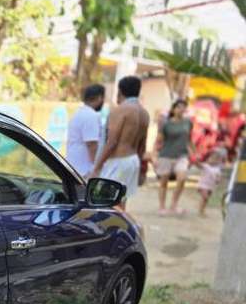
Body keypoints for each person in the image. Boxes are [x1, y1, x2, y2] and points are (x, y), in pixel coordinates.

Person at [90, 76, 150, 212]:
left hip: (119, 160)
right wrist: (140, 168)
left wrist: (97, 167)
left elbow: (112, 142)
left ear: (120, 91)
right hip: (133, 160)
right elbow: (142, 145)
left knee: (107, 203)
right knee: (121, 201)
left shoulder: (120, 110)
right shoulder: (144, 113)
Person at [153, 99, 194, 215]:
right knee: (163, 181)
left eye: (183, 107)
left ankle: (174, 205)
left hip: (182, 155)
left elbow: (189, 139)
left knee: (182, 178)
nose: (181, 109)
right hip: (166, 155)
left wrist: (195, 153)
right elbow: (158, 140)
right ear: (173, 109)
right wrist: (154, 155)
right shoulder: (166, 124)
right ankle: (162, 206)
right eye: (179, 107)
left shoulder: (188, 122)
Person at [66, 83, 105, 177]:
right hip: (84, 171)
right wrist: (95, 169)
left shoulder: (79, 113)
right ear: (99, 98)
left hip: (74, 167)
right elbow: (91, 144)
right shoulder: (91, 115)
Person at [195, 147, 226, 217]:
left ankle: (201, 208)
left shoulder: (217, 169)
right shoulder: (206, 166)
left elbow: (218, 178)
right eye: (211, 158)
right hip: (203, 185)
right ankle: (201, 211)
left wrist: (218, 180)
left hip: (210, 187)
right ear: (208, 159)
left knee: (206, 199)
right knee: (205, 198)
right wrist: (196, 160)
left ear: (219, 161)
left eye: (216, 159)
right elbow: (198, 165)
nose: (213, 160)